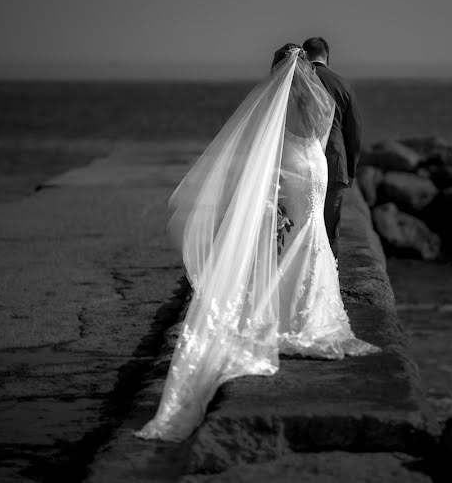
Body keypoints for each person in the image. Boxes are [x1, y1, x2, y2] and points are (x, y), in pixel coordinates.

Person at [134, 44, 379, 441]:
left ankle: (285, 313)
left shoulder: (278, 103)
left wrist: (269, 196)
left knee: (293, 234)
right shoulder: (321, 99)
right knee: (312, 234)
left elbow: (267, 148)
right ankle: (309, 314)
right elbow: (320, 134)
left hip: (294, 170)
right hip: (316, 166)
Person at [301, 37, 362, 259]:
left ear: (304, 55)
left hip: (301, 161)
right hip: (335, 162)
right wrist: (352, 170)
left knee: (302, 224)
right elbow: (353, 132)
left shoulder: (296, 82)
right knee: (329, 226)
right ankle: (329, 275)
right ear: (328, 56)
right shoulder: (343, 84)